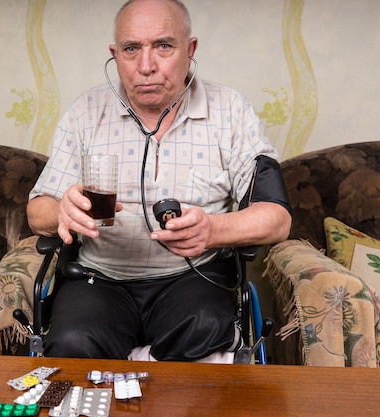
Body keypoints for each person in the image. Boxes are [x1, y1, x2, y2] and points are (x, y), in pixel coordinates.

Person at [27, 0, 292, 362]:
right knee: (72, 341)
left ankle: (138, 370)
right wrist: (62, 211)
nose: (146, 66)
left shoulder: (231, 109)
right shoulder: (85, 112)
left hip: (194, 277)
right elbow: (36, 211)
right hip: (100, 278)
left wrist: (212, 230)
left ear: (190, 50)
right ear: (115, 54)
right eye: (131, 49)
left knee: (206, 329)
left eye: (163, 46)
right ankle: (145, 366)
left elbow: (277, 216)